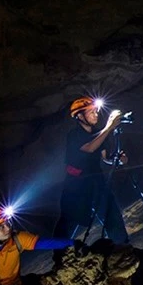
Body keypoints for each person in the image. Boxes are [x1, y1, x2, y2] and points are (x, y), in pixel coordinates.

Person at [54, 97, 129, 243]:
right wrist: (108, 127)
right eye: (91, 112)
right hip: (76, 184)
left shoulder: (99, 133)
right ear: (80, 116)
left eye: (96, 111)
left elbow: (104, 156)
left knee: (111, 214)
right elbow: (89, 148)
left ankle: (123, 248)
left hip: (96, 181)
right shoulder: (74, 135)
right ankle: (60, 255)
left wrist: (118, 159)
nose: (96, 114)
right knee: (69, 220)